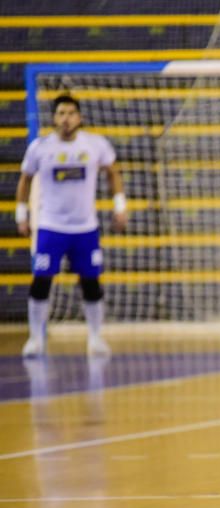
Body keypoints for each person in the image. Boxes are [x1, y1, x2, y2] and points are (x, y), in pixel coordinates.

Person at [16, 94, 127, 358]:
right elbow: (25, 180)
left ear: (80, 117)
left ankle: (95, 338)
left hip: (84, 228)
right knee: (41, 281)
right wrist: (22, 214)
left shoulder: (95, 145)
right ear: (54, 118)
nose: (66, 119)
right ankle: (35, 338)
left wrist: (120, 207)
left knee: (90, 282)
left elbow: (113, 173)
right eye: (61, 113)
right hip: (50, 227)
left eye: (70, 113)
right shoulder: (40, 147)